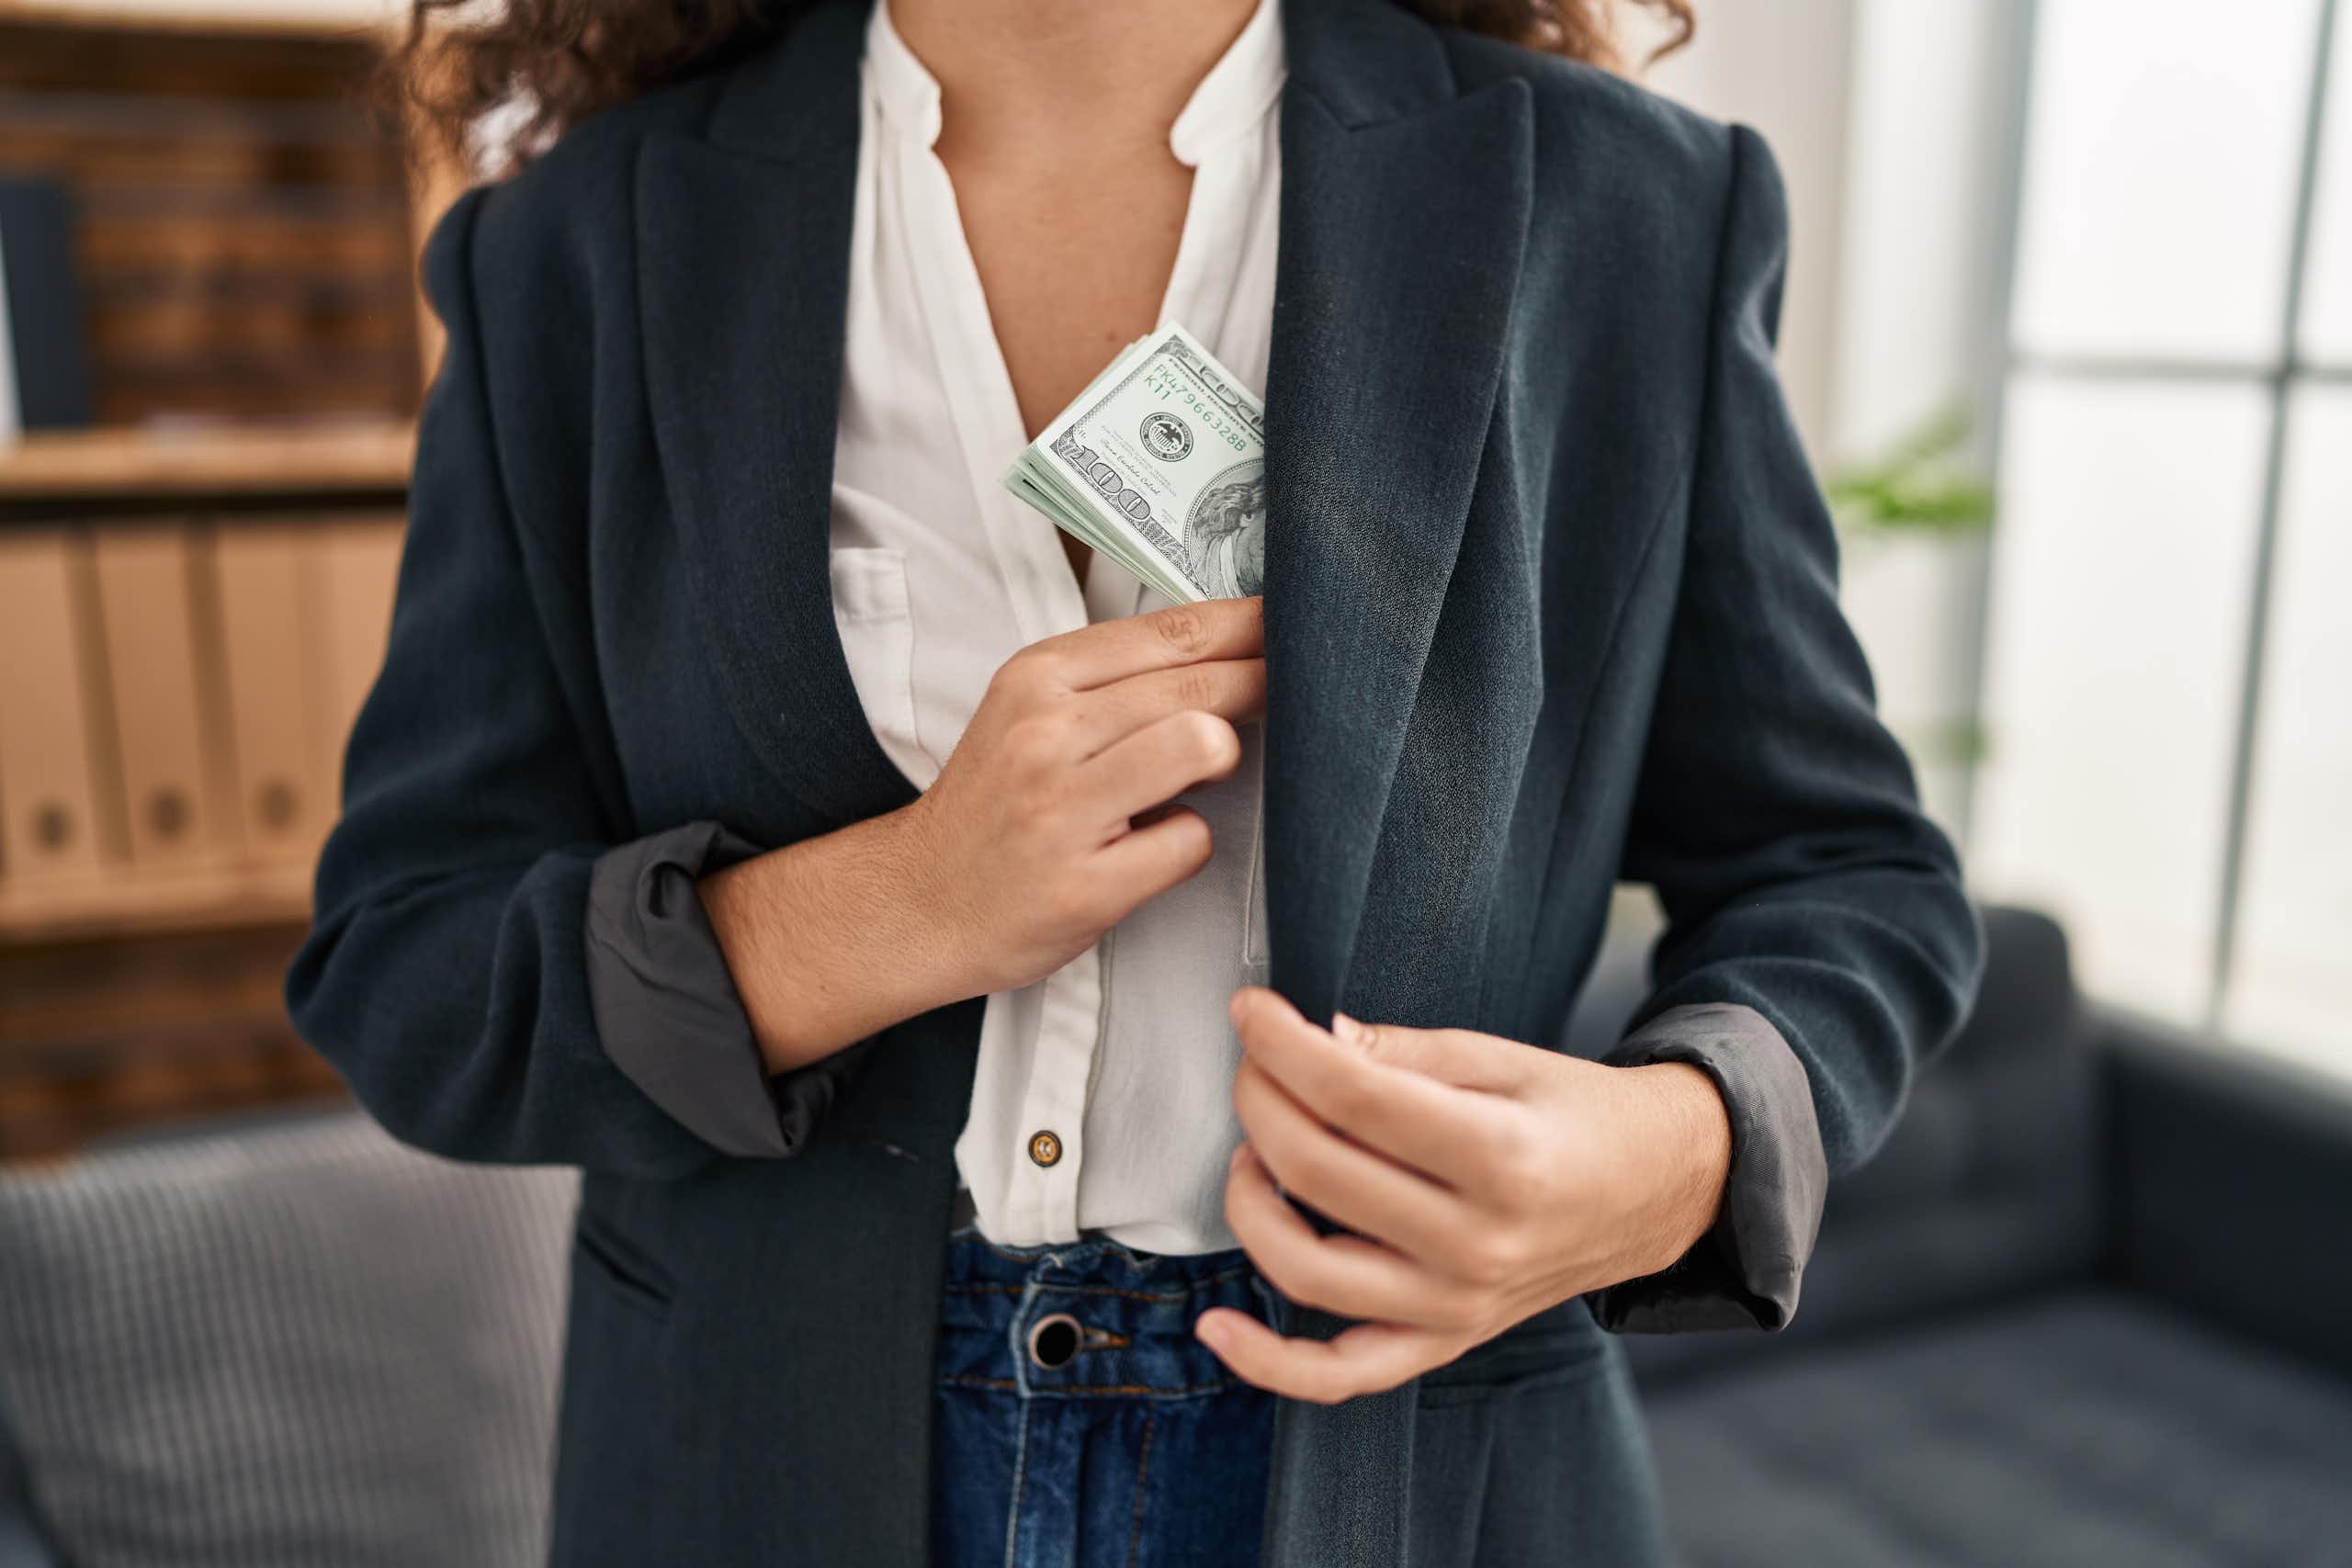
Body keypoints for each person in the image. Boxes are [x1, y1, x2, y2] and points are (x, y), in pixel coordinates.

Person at [287, 0, 1983, 1562]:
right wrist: (895, 907)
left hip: (1413, 1477)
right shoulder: (570, 254)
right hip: (758, 1470)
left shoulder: (1627, 209)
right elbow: (408, 967)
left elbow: (1847, 874)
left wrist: (1672, 1156)